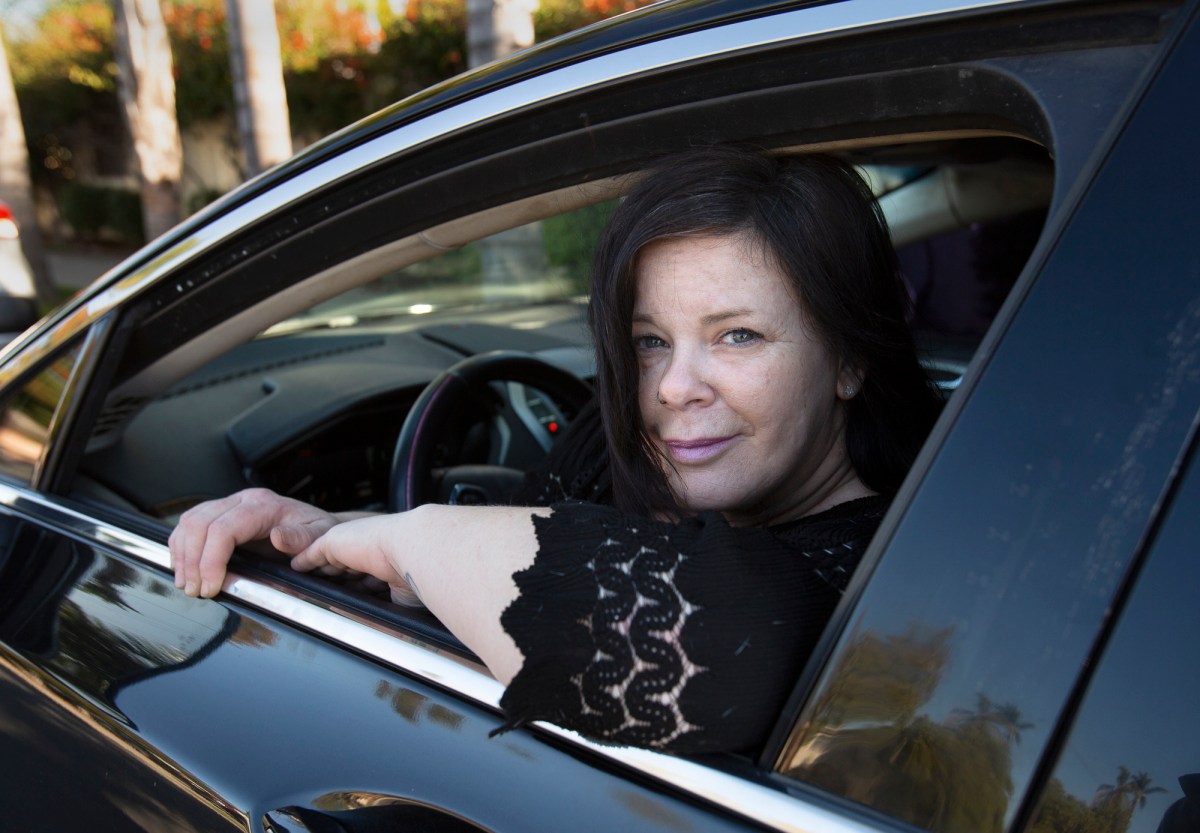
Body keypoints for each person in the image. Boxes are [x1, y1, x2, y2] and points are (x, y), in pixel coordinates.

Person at [169, 145, 942, 755]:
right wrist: (329, 536)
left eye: (737, 335)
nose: (674, 386)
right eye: (648, 341)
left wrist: (412, 533)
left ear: (848, 359)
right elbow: (507, 555)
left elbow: (715, 648)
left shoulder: (888, 560)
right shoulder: (629, 448)